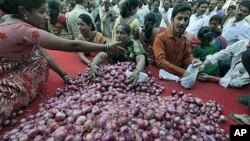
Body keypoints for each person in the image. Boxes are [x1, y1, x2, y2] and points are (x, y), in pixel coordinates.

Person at [0, 0, 125, 126]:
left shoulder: (8, 18)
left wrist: (63, 74)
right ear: (23, 11)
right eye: (42, 12)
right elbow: (73, 45)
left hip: (12, 64)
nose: (47, 17)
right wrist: (106, 47)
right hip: (6, 74)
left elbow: (46, 55)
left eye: (47, 12)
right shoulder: (25, 31)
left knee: (40, 60)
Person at [153, 3, 201, 78]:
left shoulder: (185, 40)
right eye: (179, 18)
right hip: (162, 77)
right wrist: (182, 72)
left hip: (177, 79)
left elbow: (187, 56)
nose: (182, 23)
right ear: (172, 19)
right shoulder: (160, 38)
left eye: (186, 19)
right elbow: (161, 62)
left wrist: (193, 61)